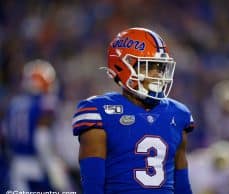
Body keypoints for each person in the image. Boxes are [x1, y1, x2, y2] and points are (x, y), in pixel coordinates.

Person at [72, 27, 195, 194]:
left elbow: (182, 184)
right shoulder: (100, 112)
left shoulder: (178, 113)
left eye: (160, 68)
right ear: (123, 66)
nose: (157, 75)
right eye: (149, 67)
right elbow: (92, 185)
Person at [3, 59, 71, 191]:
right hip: (37, 167)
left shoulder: (14, 104)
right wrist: (54, 167)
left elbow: (5, 135)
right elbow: (42, 139)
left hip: (16, 166)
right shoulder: (44, 102)